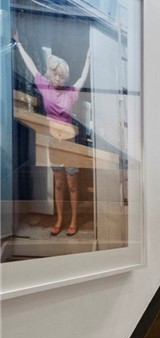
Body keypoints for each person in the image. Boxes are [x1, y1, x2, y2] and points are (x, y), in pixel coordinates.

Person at [12, 32, 91, 236]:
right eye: (55, 73)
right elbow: (30, 66)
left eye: (61, 75)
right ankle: (60, 220)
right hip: (53, 144)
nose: (58, 77)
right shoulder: (44, 87)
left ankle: (73, 220)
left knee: (72, 185)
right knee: (58, 184)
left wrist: (89, 59)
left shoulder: (71, 92)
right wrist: (19, 45)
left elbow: (83, 78)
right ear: (50, 73)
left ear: (65, 77)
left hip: (69, 144)